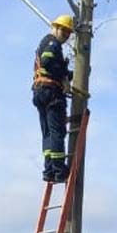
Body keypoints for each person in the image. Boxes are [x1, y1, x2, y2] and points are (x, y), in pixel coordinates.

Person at [33, 14, 73, 183]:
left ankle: (48, 170)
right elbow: (48, 61)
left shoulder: (44, 43)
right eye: (62, 31)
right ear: (54, 28)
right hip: (51, 92)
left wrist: (66, 74)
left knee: (48, 133)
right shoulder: (52, 43)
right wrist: (65, 74)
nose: (64, 36)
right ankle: (58, 170)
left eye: (67, 33)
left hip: (40, 91)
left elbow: (48, 66)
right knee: (57, 132)